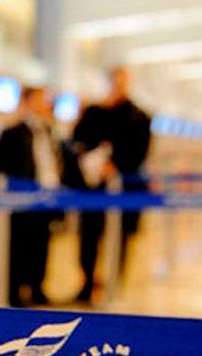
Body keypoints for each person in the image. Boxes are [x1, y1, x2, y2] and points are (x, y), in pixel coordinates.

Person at [73, 67, 152, 302]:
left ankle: (114, 284)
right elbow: (78, 142)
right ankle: (88, 282)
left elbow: (140, 152)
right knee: (89, 237)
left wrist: (115, 165)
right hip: (93, 188)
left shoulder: (139, 116)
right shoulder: (94, 111)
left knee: (120, 238)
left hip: (124, 189)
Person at [0, 88, 61, 307]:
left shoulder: (48, 131)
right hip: (22, 199)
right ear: (28, 101)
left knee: (41, 245)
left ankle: (37, 287)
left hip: (46, 198)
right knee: (19, 246)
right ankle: (15, 291)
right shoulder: (12, 131)